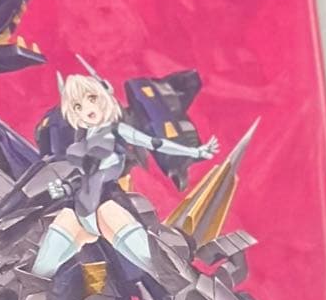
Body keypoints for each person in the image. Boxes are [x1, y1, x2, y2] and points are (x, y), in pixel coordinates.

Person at [32, 57, 219, 278]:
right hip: (77, 212)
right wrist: (62, 188)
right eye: (78, 106)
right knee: (38, 274)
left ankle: (203, 289)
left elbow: (155, 143)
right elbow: (78, 175)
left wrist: (195, 152)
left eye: (91, 98)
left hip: (107, 208)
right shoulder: (79, 142)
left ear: (103, 96)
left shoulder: (116, 131)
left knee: (166, 273)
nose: (87, 108)